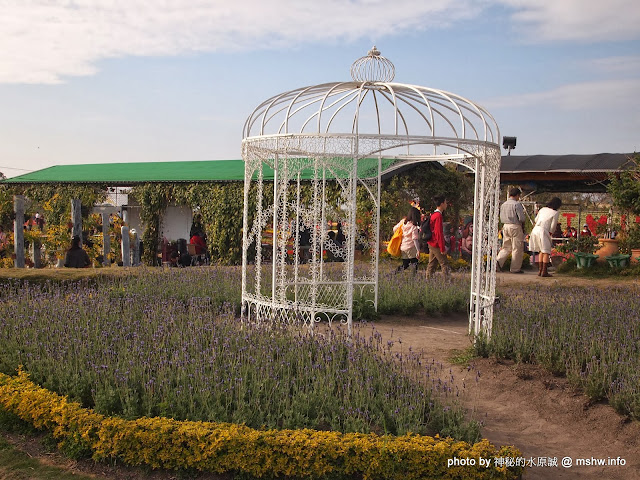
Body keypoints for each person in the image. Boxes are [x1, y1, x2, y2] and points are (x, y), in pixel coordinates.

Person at [529, 197, 562, 277]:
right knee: (546, 251)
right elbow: (553, 226)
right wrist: (551, 232)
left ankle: (540, 270)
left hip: (535, 229)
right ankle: (544, 271)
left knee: (541, 251)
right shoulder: (555, 213)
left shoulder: (543, 209)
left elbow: (536, 220)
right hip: (544, 230)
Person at [496, 187, 526, 273]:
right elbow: (521, 218)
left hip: (505, 226)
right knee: (517, 248)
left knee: (506, 247)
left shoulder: (503, 204)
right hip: (515, 226)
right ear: (517, 195)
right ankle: (515, 268)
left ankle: (498, 262)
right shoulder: (516, 204)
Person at [426, 196, 450, 278]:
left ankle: (428, 281)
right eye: (446, 203)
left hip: (431, 242)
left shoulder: (433, 214)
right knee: (444, 263)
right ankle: (447, 283)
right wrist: (442, 248)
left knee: (432, 264)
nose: (446, 205)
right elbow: (438, 233)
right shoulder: (438, 216)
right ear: (442, 204)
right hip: (436, 243)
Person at [392, 206, 421, 271]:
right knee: (414, 265)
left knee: (405, 265)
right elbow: (415, 239)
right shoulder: (414, 226)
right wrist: (418, 250)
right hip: (411, 247)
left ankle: (393, 274)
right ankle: (414, 279)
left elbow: (394, 229)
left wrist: (401, 235)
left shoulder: (403, 222)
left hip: (403, 246)